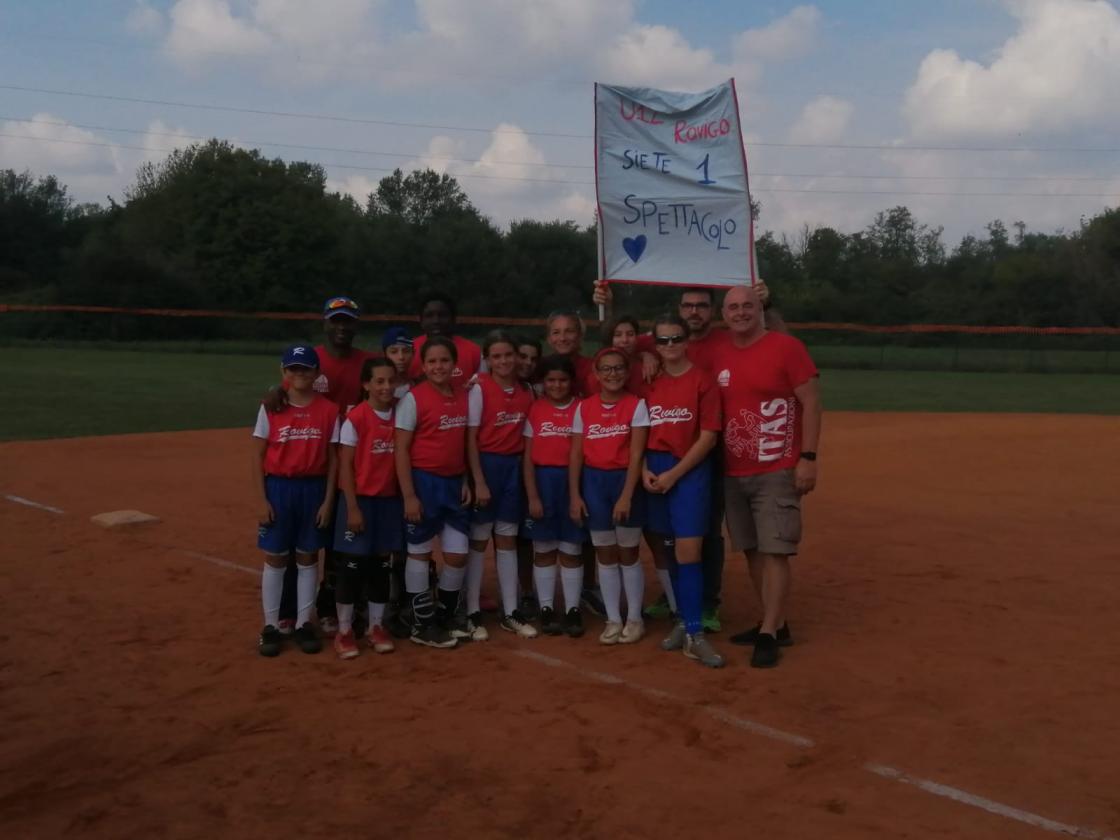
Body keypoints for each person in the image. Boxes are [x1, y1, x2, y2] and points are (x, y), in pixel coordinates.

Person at [592, 280, 773, 632]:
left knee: (703, 533)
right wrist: (611, 308)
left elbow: (762, 336)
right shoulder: (653, 354)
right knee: (665, 536)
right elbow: (619, 343)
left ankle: (705, 604)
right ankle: (678, 600)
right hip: (657, 461)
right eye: (688, 305)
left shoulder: (723, 341)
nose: (694, 311)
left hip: (705, 455)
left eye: (701, 306)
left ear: (712, 311)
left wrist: (767, 304)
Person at [714, 285, 821, 668]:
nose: (740, 312)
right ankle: (775, 622)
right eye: (733, 307)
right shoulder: (719, 350)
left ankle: (769, 632)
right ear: (724, 314)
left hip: (777, 465)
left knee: (775, 549)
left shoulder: (786, 347)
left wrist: (808, 458)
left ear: (760, 308)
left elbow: (811, 401)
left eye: (748, 305)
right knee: (753, 549)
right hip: (732, 470)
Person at [642, 315, 725, 668]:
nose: (670, 345)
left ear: (687, 340)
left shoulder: (703, 380)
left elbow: (708, 437)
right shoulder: (649, 381)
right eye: (663, 340)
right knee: (668, 549)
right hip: (654, 468)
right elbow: (637, 431)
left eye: (676, 338)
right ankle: (682, 620)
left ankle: (695, 633)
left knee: (689, 551)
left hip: (688, 470)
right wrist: (644, 470)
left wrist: (674, 475)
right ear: (655, 344)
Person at [252, 344, 339, 657]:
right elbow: (257, 457)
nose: (299, 373)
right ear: (283, 371)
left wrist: (328, 501)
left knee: (307, 556)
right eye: (293, 368)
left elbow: (333, 460)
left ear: (316, 373)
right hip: (279, 487)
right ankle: (270, 625)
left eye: (305, 368)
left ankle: (303, 623)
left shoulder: (329, 410)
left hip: (313, 488)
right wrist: (261, 499)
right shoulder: (271, 407)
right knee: (276, 557)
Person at [394, 336, 472, 649]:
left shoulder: (463, 395)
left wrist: (464, 479)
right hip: (424, 482)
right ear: (423, 366)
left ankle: (446, 613)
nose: (439, 366)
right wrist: (409, 496)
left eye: (444, 360)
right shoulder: (413, 399)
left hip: (453, 484)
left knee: (457, 554)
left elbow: (461, 444)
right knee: (420, 551)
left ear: (454, 364)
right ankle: (421, 623)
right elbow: (401, 449)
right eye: (432, 361)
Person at [569, 347, 650, 645]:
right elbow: (576, 454)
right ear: (596, 373)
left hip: (624, 482)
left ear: (627, 373)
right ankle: (613, 619)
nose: (612, 374)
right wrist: (575, 495)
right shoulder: (584, 407)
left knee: (628, 552)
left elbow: (637, 454)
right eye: (606, 368)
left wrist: (627, 495)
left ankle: (635, 618)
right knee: (604, 553)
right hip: (594, 483)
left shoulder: (636, 405)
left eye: (618, 368)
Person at [466, 330, 537, 640]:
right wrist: (479, 481)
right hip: (486, 466)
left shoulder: (527, 391)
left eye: (509, 354)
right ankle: (471, 611)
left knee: (507, 539)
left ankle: (511, 611)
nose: (504, 361)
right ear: (487, 360)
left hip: (512, 470)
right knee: (479, 539)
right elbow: (469, 438)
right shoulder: (479, 389)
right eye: (497, 356)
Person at [331, 356, 402, 659]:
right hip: (360, 501)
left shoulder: (401, 414)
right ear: (366, 385)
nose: (386, 387)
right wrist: (352, 507)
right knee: (352, 565)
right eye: (379, 381)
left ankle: (376, 626)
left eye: (391, 381)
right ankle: (345, 630)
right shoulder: (357, 418)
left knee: (381, 566)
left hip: (389, 502)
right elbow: (345, 466)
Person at [522, 355, 586, 637]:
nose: (557, 385)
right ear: (542, 382)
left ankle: (572, 609)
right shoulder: (536, 408)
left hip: (573, 482)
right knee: (544, 548)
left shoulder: (581, 407)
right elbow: (527, 458)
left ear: (571, 381)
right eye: (550, 380)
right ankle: (546, 608)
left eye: (562, 380)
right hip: (543, 482)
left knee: (571, 549)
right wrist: (533, 496)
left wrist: (577, 495)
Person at [407, 292, 482, 390]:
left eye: (442, 315)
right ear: (421, 320)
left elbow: (483, 387)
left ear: (453, 319)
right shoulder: (407, 350)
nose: (436, 321)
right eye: (429, 315)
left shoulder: (473, 352)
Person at [381, 326, 415, 400]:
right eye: (394, 352)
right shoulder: (377, 390)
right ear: (384, 354)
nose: (401, 357)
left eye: (406, 351)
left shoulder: (419, 387)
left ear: (413, 354)